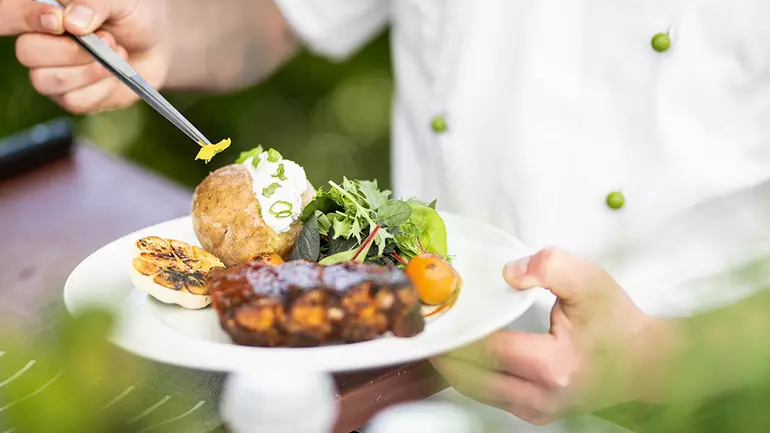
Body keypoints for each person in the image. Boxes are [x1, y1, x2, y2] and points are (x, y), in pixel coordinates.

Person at [3, 0, 770, 431]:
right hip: (414, 394)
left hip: (696, 405)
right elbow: (276, 14)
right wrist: (161, 39)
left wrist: (659, 357)